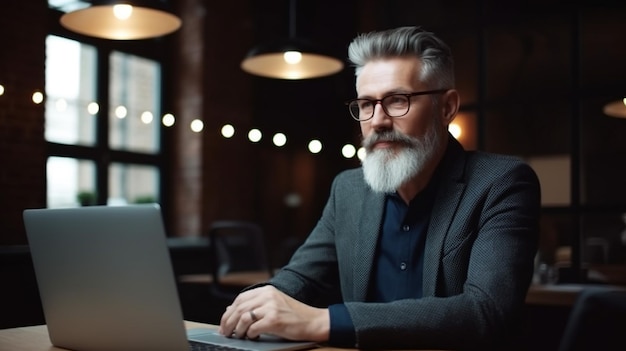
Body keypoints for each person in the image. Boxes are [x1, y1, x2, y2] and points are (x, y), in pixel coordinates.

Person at [218, 26, 541, 350]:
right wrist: (256, 305)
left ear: (447, 107)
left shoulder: (502, 182)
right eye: (366, 104)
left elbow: (486, 312)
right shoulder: (348, 190)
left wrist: (321, 321)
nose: (378, 121)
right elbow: (299, 279)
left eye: (398, 100)